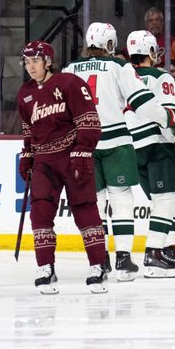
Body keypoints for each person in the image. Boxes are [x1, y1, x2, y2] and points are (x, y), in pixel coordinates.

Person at [63, 22, 175, 282]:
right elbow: (141, 103)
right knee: (121, 199)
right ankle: (123, 260)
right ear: (109, 45)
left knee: (95, 202)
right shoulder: (118, 66)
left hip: (82, 144)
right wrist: (168, 118)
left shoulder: (69, 69)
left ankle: (100, 259)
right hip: (116, 140)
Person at [16, 40, 108, 294]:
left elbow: (89, 120)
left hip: (71, 155)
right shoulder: (25, 93)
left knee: (84, 209)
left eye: (35, 61)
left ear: (48, 61)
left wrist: (83, 149)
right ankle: (45, 267)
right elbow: (28, 131)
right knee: (40, 213)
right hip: (45, 162)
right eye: (26, 62)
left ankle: (98, 265)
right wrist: (27, 154)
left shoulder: (69, 83)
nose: (30, 67)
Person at [125, 30, 175, 277]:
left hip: (133, 148)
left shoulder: (123, 78)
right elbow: (169, 115)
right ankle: (153, 254)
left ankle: (168, 249)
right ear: (151, 52)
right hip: (158, 144)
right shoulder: (161, 76)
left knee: (160, 203)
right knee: (166, 200)